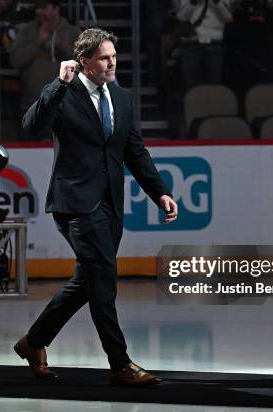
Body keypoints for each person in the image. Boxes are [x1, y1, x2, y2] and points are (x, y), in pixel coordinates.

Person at [16, 28, 178, 386]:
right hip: (75, 203)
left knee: (88, 281)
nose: (112, 63)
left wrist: (159, 192)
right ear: (84, 61)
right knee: (103, 281)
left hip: (110, 203)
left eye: (114, 56)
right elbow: (31, 127)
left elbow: (133, 150)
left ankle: (34, 341)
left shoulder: (120, 97)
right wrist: (57, 85)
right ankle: (120, 364)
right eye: (104, 58)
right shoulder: (63, 93)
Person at [9, 0, 80, 121]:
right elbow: (15, 61)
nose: (38, 11)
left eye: (44, 7)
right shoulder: (26, 31)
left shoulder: (73, 32)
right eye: (37, 8)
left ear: (56, 8)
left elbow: (86, 67)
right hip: (32, 104)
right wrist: (38, 42)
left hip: (65, 105)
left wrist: (65, 50)